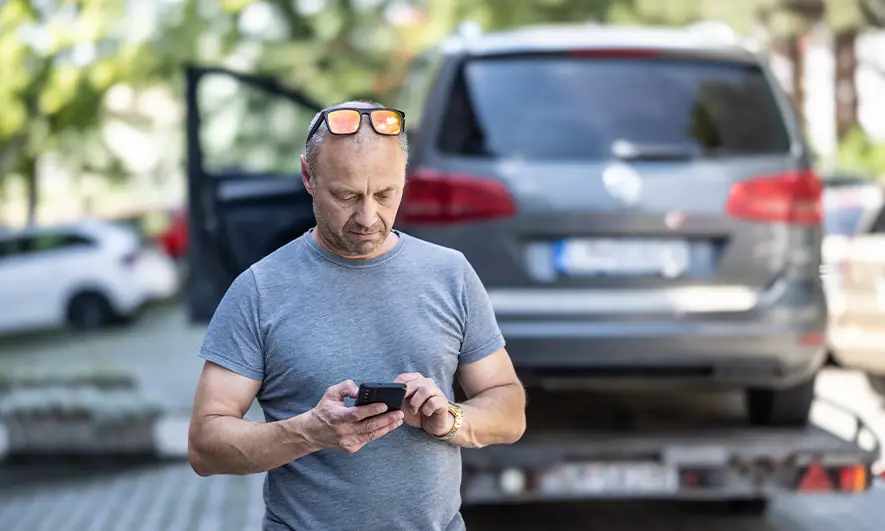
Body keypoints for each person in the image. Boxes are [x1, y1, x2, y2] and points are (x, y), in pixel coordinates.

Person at [187, 100, 526, 531]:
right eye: (346, 195)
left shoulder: (451, 274)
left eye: (385, 194)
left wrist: (450, 420)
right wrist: (310, 432)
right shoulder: (259, 289)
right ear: (308, 177)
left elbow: (509, 410)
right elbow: (204, 446)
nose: (368, 217)